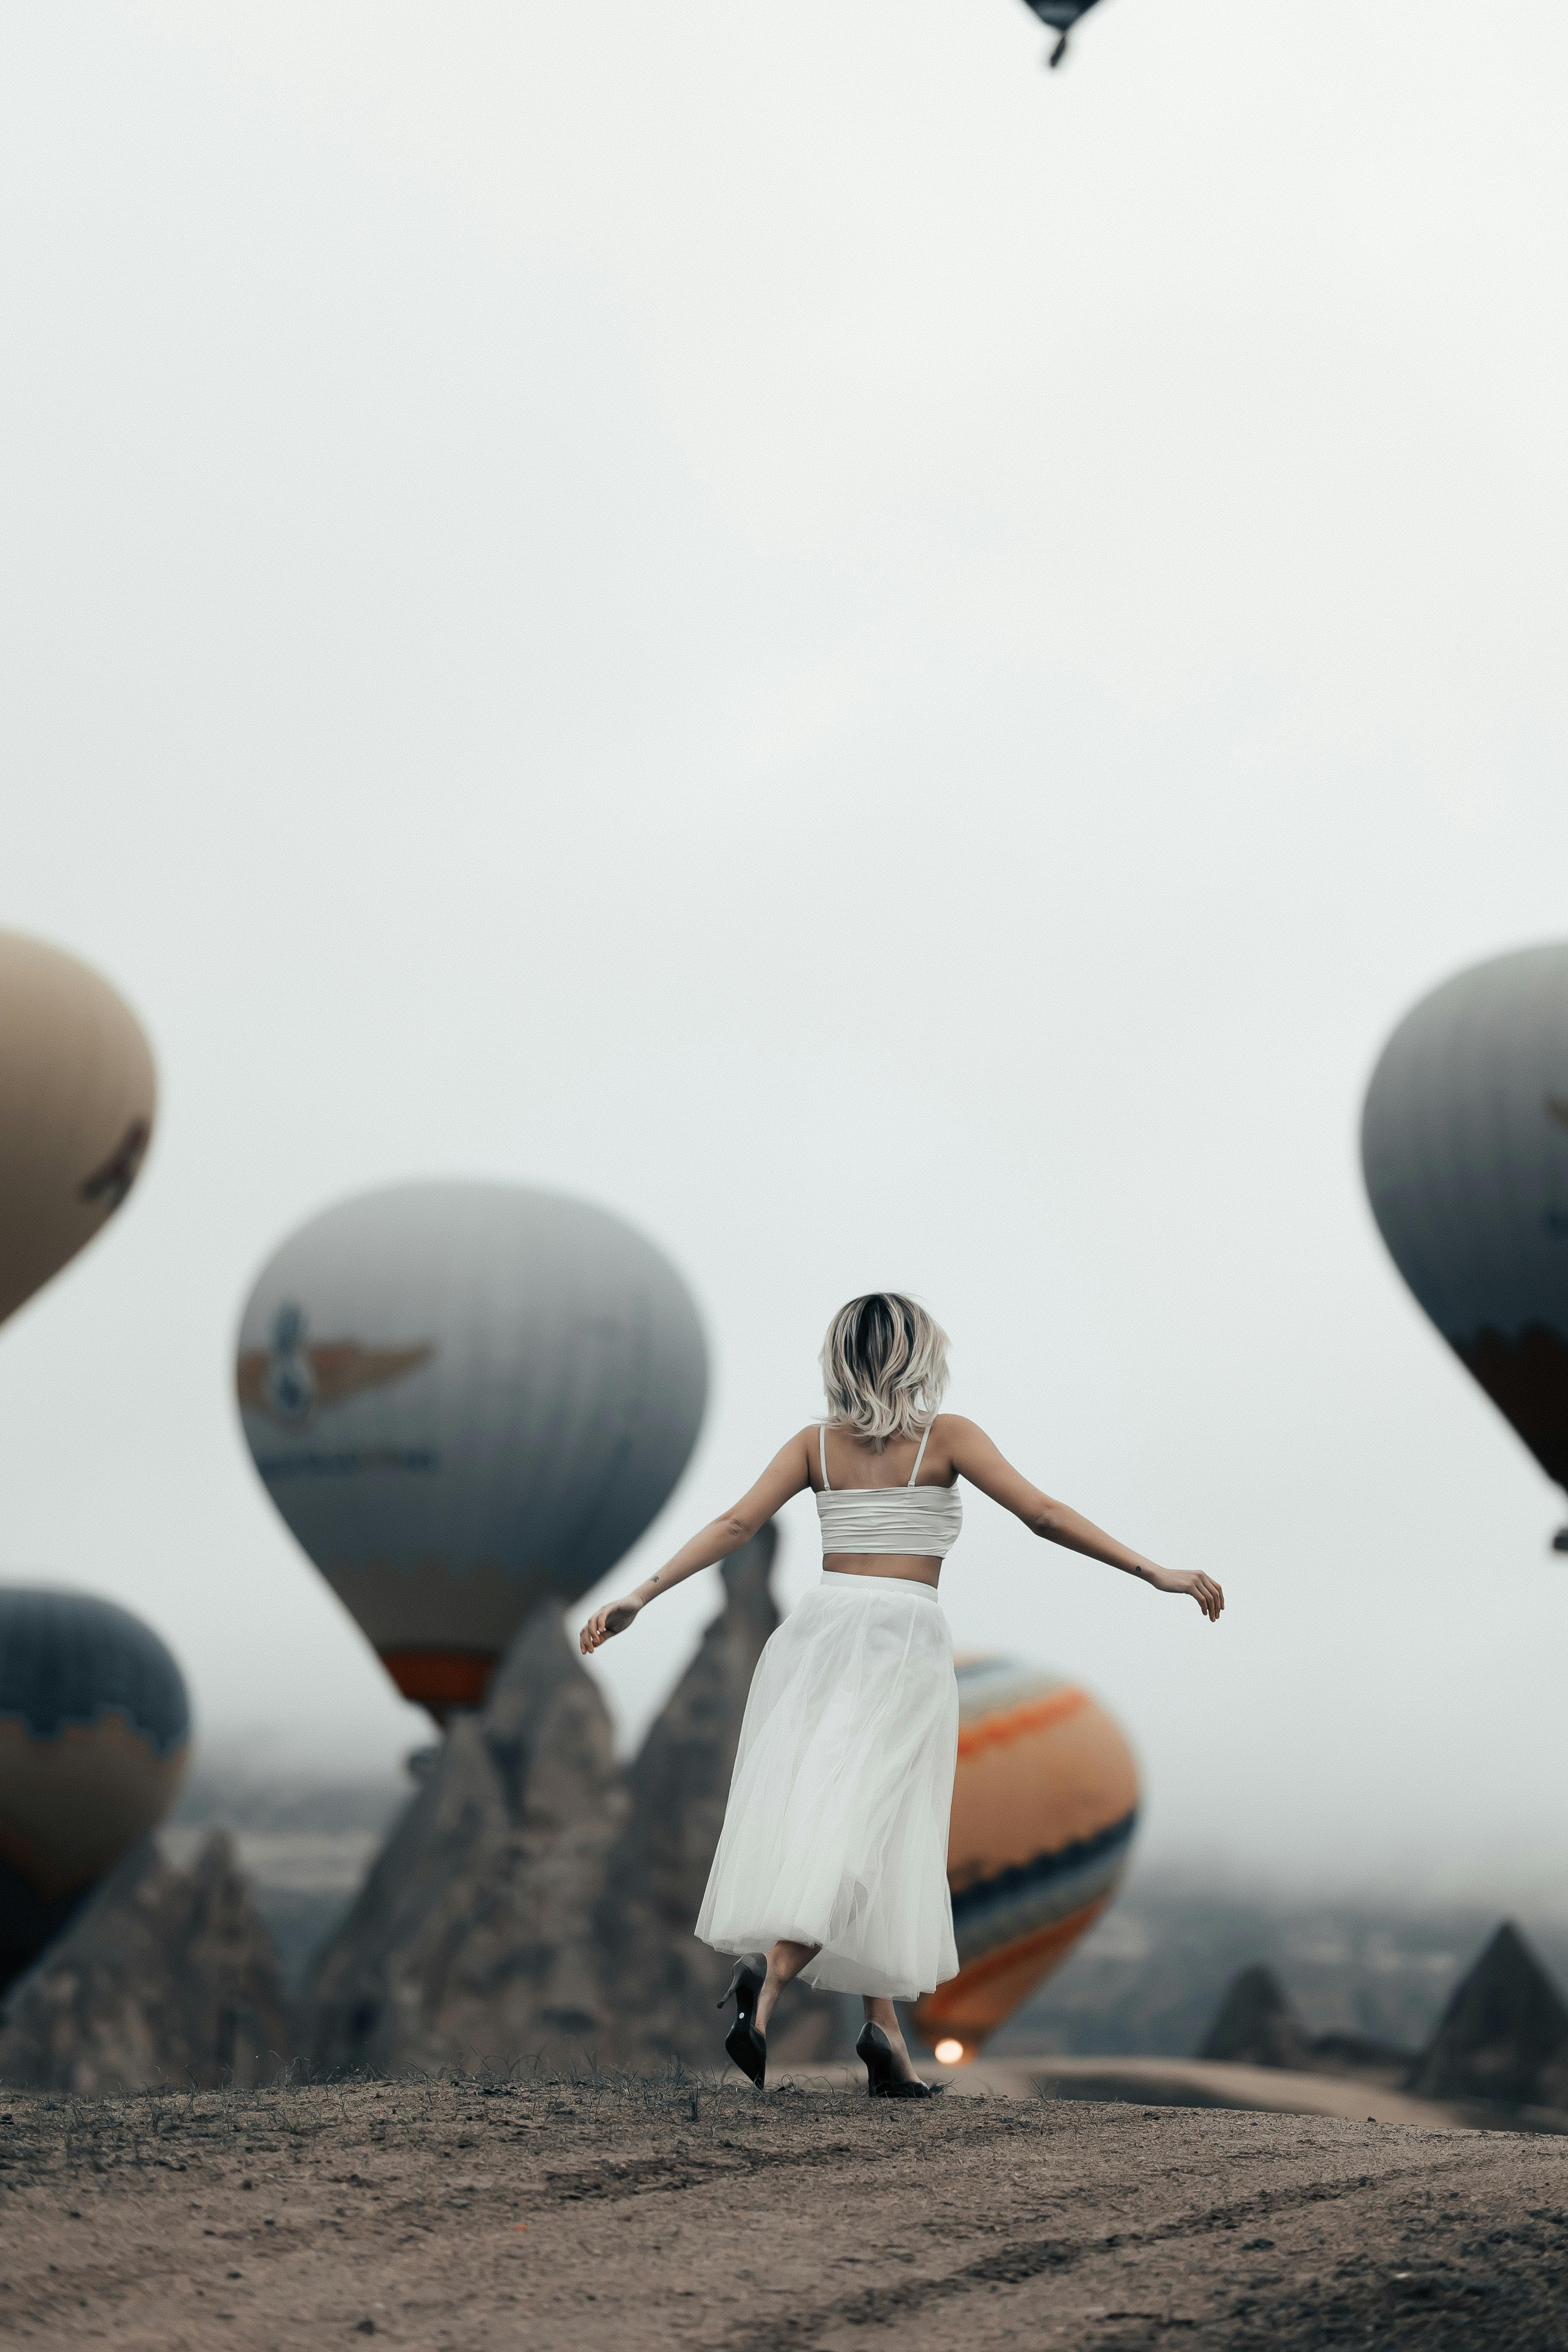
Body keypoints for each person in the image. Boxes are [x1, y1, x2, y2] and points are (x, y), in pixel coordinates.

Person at [579, 1292, 1222, 2097]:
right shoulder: (946, 1437)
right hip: (902, 1640)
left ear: (840, 1357)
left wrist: (643, 1593)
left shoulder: (813, 1445)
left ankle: (887, 2046)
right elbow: (1044, 1515)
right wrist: (1152, 1571)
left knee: (855, 1820)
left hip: (817, 1636)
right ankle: (769, 1979)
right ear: (921, 1355)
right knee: (872, 1824)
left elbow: (737, 1525)